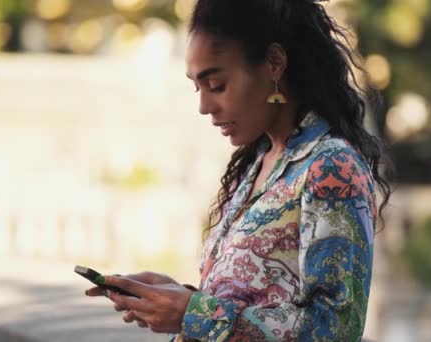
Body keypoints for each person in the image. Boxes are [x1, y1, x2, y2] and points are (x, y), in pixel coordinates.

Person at [85, 0, 392, 340]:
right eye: (197, 88)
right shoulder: (258, 162)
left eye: (216, 86)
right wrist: (181, 298)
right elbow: (253, 303)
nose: (204, 107)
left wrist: (193, 313)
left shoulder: (331, 167)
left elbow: (337, 330)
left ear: (274, 63)